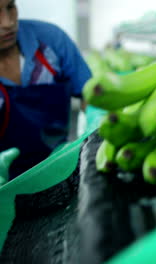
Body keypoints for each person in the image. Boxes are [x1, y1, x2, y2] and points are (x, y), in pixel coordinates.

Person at [0, 0, 92, 181]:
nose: (8, 22)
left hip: (60, 170)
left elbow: (89, 94)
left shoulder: (50, 40)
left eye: (10, 7)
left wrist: (95, 126)